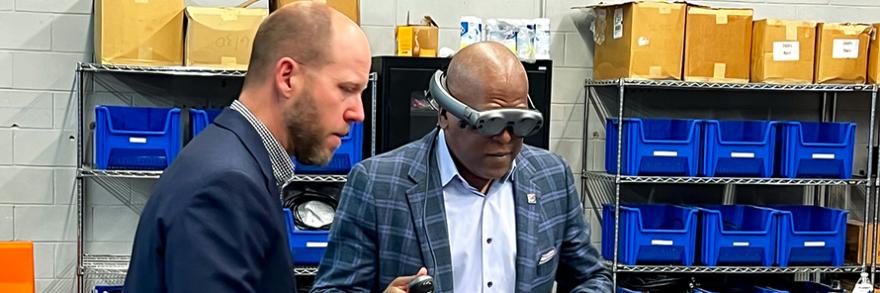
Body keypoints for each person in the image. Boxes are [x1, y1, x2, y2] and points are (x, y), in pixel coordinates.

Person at [312, 42, 612, 293]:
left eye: (519, 124)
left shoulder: (551, 177)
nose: (506, 139)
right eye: (488, 124)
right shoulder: (378, 185)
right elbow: (333, 288)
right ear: (444, 114)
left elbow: (591, 277)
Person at [123, 3, 370, 292]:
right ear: (287, 77)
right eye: (346, 89)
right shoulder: (226, 184)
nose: (359, 112)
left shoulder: (234, 161)